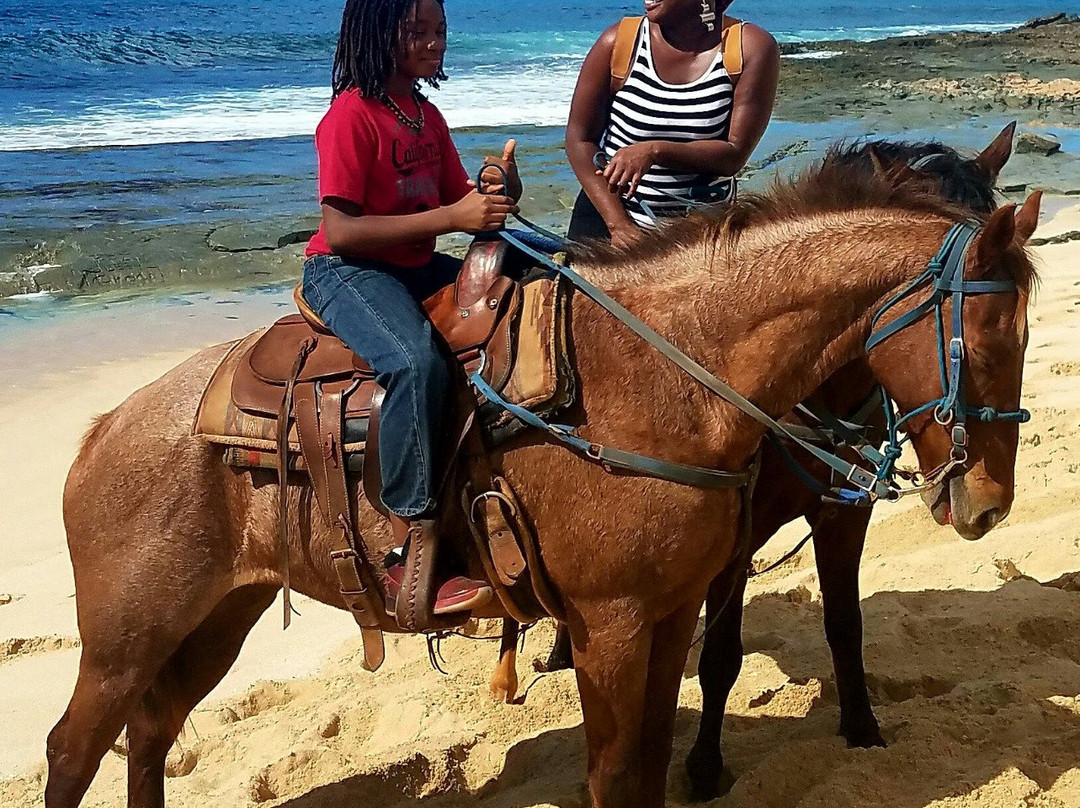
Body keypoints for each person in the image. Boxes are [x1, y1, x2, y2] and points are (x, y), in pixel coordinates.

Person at [302, 0, 522, 616]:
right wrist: (455, 218)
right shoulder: (350, 117)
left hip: (412, 263)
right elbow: (340, 230)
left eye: (440, 31)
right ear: (378, 36)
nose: (434, 43)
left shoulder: (425, 116)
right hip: (346, 271)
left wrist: (495, 187)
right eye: (417, 32)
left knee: (530, 286)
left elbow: (459, 198)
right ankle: (406, 552)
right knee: (415, 364)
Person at [565, 0, 779, 246]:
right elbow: (580, 139)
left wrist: (654, 151)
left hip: (700, 237)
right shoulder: (619, 43)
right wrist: (620, 226)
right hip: (608, 226)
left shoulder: (748, 48)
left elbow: (734, 155)